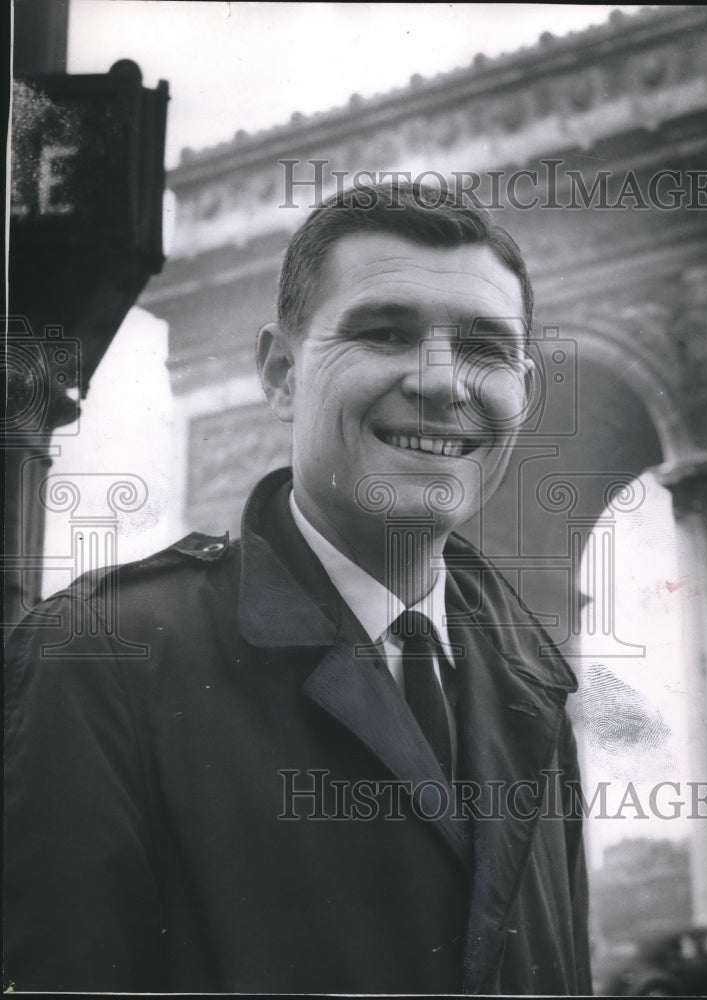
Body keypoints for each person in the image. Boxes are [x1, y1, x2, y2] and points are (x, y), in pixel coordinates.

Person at [4, 181, 591, 994]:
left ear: (523, 388)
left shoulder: (538, 677)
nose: (443, 383)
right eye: (385, 332)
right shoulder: (98, 660)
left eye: (486, 350)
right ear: (280, 373)